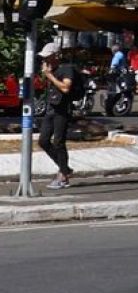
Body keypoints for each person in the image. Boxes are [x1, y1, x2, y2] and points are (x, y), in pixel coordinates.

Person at [38, 42, 77, 190]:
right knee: (43, 141)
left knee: (58, 142)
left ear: (56, 55)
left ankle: (63, 176)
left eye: (48, 56)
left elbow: (66, 88)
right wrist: (47, 74)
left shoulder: (66, 69)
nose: (45, 59)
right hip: (51, 109)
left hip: (62, 110)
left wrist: (50, 76)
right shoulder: (51, 70)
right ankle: (65, 168)